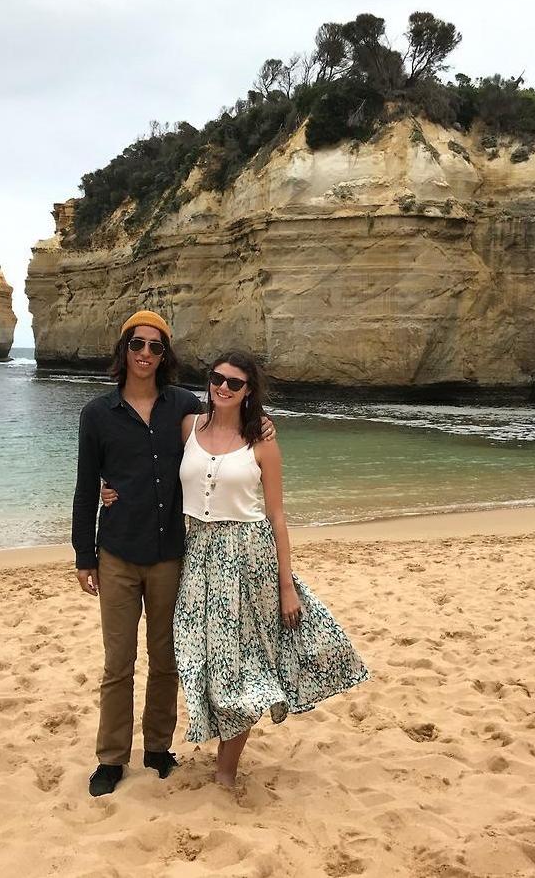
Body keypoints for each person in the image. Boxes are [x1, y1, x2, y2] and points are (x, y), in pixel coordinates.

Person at [72, 313, 273, 797]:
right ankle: (112, 758)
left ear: (165, 356)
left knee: (165, 660)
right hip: (117, 552)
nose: (146, 353)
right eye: (137, 344)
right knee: (117, 663)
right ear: (124, 349)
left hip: (170, 555)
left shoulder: (183, 406)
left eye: (156, 347)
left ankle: (158, 748)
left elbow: (226, 428)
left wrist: (260, 422)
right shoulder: (96, 414)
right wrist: (84, 554)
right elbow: (84, 486)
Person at [173, 350, 370, 786]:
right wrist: (109, 488)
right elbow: (143, 460)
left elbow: (277, 516)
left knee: (240, 665)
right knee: (197, 657)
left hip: (248, 558)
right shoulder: (188, 425)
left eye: (235, 383)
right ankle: (215, 745)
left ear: (249, 392)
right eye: (217, 378)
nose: (223, 387)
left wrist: (287, 586)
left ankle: (225, 771)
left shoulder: (262, 441)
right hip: (194, 553)